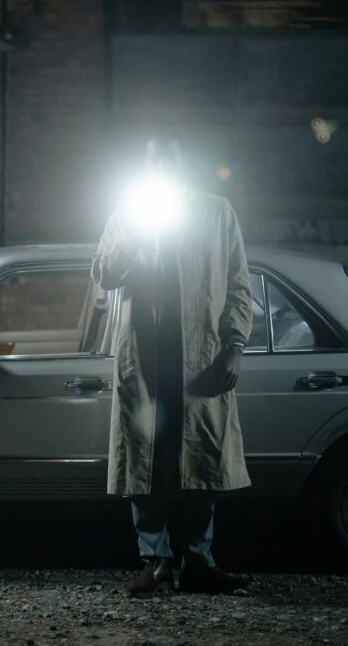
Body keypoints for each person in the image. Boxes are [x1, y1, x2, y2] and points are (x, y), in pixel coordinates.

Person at [90, 136, 253, 597]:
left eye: (166, 159)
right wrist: (136, 234)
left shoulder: (217, 212)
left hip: (199, 362)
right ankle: (155, 563)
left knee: (201, 463)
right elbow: (102, 273)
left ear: (184, 164)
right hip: (144, 362)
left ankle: (199, 563)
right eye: (150, 161)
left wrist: (234, 346)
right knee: (145, 467)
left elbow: (239, 286)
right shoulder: (127, 213)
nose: (158, 167)